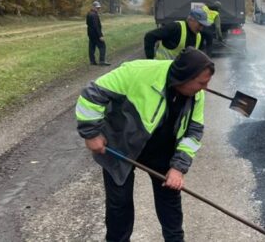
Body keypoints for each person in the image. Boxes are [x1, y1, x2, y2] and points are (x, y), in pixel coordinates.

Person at [75, 47, 214, 242]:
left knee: (170, 201)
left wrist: (178, 167)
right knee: (119, 205)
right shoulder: (136, 72)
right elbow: (91, 94)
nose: (205, 88)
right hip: (120, 145)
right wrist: (91, 134)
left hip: (161, 150)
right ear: (184, 78)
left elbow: (194, 132)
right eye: (202, 83)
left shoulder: (196, 94)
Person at [145, 8, 210, 59]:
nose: (201, 28)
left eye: (203, 26)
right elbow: (149, 36)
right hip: (162, 70)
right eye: (200, 25)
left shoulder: (198, 36)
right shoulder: (175, 27)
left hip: (177, 73)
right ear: (190, 19)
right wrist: (150, 61)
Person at [86, 1, 110, 66]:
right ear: (93, 7)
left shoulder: (89, 14)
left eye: (99, 8)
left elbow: (87, 24)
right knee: (102, 46)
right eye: (97, 8)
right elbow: (96, 26)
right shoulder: (94, 15)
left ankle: (92, 61)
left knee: (91, 47)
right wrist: (100, 36)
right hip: (96, 34)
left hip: (90, 34)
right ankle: (102, 61)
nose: (98, 9)